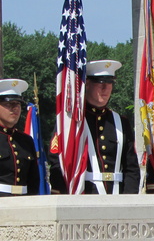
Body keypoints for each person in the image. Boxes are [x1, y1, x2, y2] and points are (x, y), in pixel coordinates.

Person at [49, 60, 139, 194]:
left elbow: (131, 168)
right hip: (84, 195)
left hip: (117, 196)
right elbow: (58, 162)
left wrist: (128, 200)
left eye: (110, 84)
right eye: (101, 83)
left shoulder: (121, 122)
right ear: (88, 85)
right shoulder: (72, 121)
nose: (105, 89)